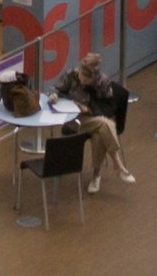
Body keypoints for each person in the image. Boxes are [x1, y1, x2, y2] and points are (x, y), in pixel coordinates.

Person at [57, 61, 137, 189]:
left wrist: (88, 110)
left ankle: (96, 177)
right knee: (104, 125)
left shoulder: (102, 83)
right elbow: (55, 90)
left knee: (99, 132)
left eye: (86, 80)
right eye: (81, 76)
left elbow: (110, 108)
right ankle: (117, 163)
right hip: (73, 119)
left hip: (94, 117)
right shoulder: (71, 76)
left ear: (94, 78)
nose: (82, 81)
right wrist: (54, 97)